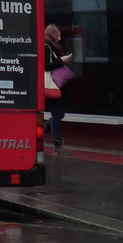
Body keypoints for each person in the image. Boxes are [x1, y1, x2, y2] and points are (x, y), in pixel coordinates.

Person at [44, 24, 74, 155]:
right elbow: (46, 66)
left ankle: (43, 131)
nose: (60, 38)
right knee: (57, 114)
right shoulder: (46, 46)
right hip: (52, 84)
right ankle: (57, 144)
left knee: (59, 114)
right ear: (52, 34)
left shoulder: (52, 46)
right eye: (58, 35)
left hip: (57, 85)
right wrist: (62, 61)